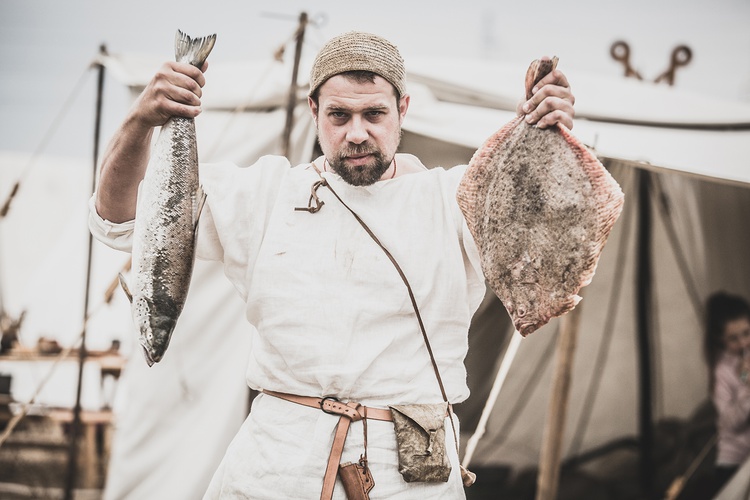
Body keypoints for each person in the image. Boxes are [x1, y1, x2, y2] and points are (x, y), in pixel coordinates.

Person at [89, 31, 575, 499]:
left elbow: (548, 243)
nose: (357, 133)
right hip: (276, 468)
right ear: (314, 111)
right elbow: (121, 221)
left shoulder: (457, 197)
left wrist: (544, 135)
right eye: (339, 115)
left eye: (374, 114)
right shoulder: (262, 194)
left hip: (411, 476)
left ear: (402, 110)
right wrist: (141, 120)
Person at [703, 291, 750, 494]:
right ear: (720, 339)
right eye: (733, 338)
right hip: (735, 461)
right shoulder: (722, 371)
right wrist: (746, 386)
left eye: (747, 333)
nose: (742, 343)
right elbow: (730, 423)